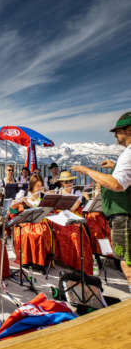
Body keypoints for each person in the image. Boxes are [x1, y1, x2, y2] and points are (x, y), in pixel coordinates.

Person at [72, 111, 131, 289]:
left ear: (129, 130)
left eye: (118, 131)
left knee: (127, 263)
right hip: (123, 214)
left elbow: (117, 184)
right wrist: (115, 166)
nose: (115, 135)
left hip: (124, 216)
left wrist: (87, 171)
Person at [10, 175, 52, 268]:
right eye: (37, 186)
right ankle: (26, 260)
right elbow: (12, 210)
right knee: (26, 233)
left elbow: (45, 210)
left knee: (41, 233)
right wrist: (16, 203)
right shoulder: (23, 194)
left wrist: (30, 204)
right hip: (25, 221)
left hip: (39, 221)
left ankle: (39, 262)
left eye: (41, 185)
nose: (39, 188)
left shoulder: (43, 196)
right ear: (32, 186)